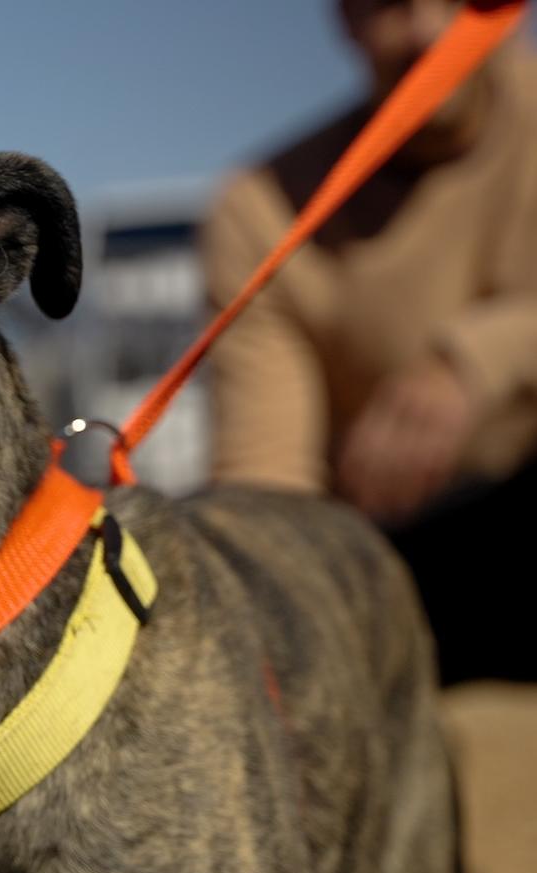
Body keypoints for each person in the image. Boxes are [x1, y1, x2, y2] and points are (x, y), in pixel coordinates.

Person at [201, 0, 537, 687]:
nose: (426, 32)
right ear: (344, 20)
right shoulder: (263, 210)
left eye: (458, 1)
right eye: (388, 4)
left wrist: (475, 361)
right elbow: (269, 493)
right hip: (400, 563)